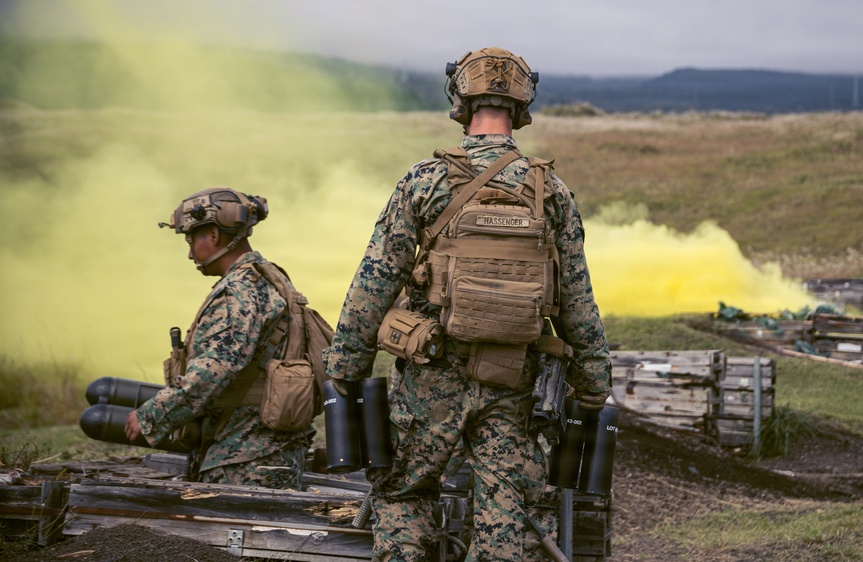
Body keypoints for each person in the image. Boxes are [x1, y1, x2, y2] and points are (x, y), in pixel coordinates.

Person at [323, 47, 612, 561]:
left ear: (459, 98)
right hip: (512, 379)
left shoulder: (424, 181)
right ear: (523, 106)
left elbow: (374, 282)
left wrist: (346, 365)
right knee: (503, 510)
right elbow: (577, 301)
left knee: (404, 492)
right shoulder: (552, 191)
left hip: (430, 373)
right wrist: (592, 384)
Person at [124, 187, 312, 490]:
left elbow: (217, 366)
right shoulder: (267, 278)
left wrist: (152, 416)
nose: (189, 252)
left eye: (191, 239)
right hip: (261, 451)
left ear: (213, 234)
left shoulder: (238, 290)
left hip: (243, 459)